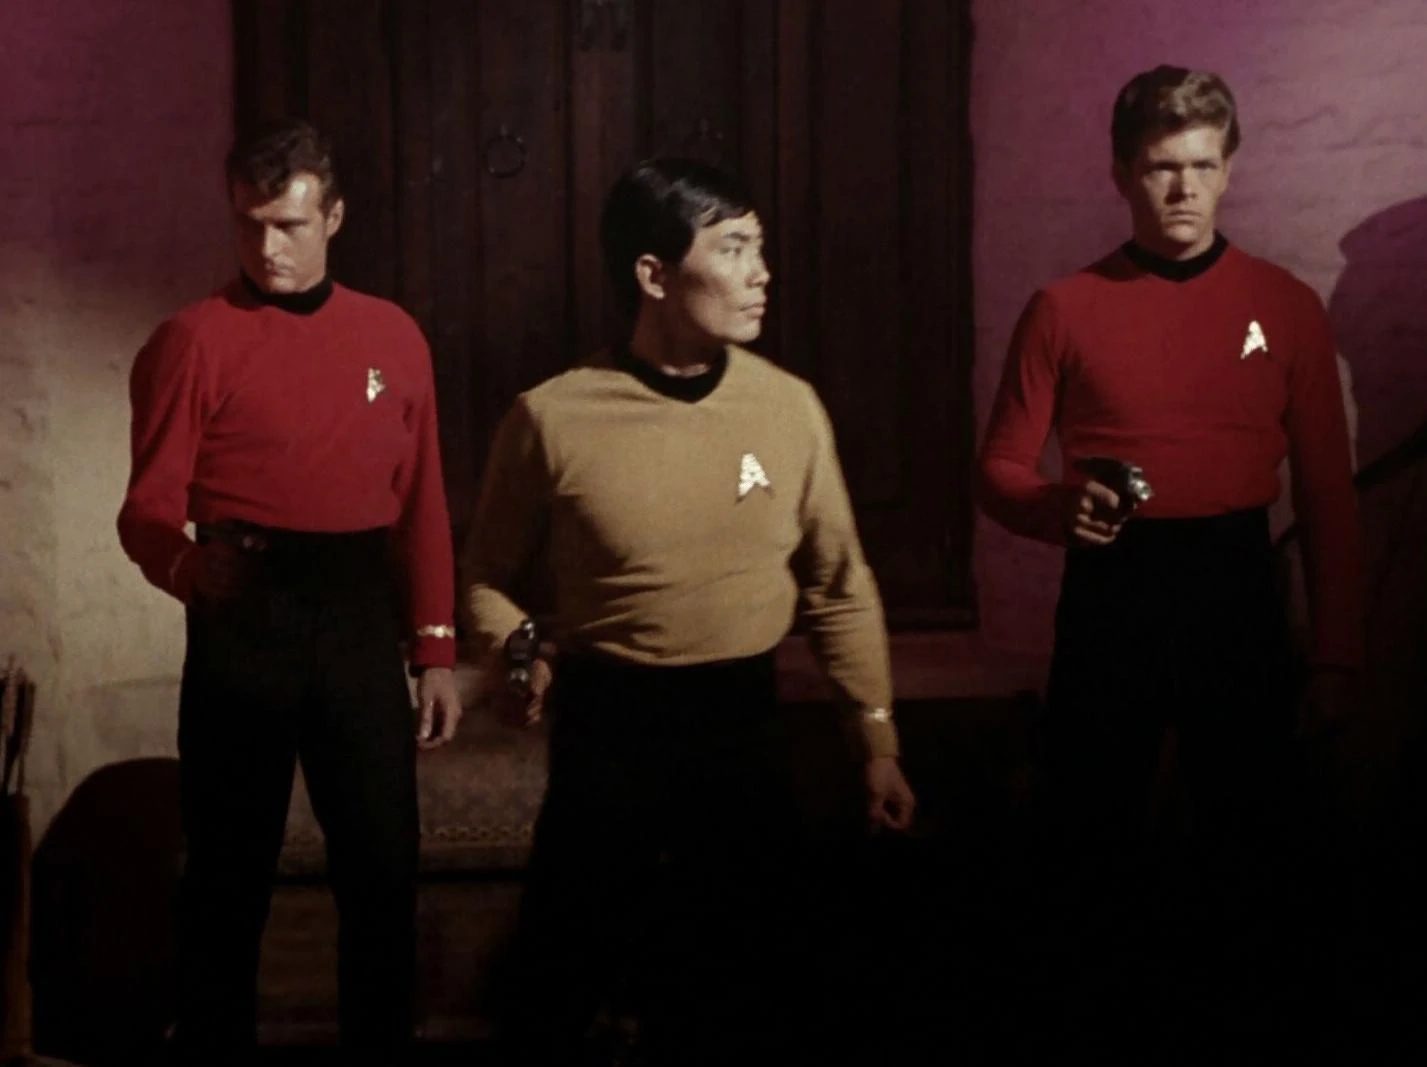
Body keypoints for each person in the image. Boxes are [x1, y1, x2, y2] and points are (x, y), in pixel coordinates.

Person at [461, 157, 917, 1065]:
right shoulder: (552, 416)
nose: (761, 273)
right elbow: (486, 577)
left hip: (742, 729)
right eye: (735, 248)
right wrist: (518, 651)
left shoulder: (789, 408)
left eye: (760, 248)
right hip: (609, 732)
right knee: (551, 995)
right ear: (653, 273)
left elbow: (839, 584)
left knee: (748, 998)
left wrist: (875, 741)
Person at [977, 66, 1362, 1057]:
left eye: (1199, 165)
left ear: (1228, 168)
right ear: (1121, 174)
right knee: (1085, 836)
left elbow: (1327, 493)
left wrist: (1335, 652)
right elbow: (998, 470)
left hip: (1235, 586)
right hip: (1113, 590)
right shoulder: (1064, 306)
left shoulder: (1282, 304)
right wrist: (1055, 505)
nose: (1182, 188)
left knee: (1252, 844)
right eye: (1159, 167)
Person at [117, 118, 463, 1066]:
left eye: (288, 225)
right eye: (248, 223)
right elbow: (145, 509)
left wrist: (435, 647)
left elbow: (422, 502)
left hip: (356, 613)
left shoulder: (393, 336)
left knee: (382, 873)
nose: (267, 246)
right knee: (226, 880)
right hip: (246, 615)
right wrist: (186, 567)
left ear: (333, 217)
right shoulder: (193, 339)